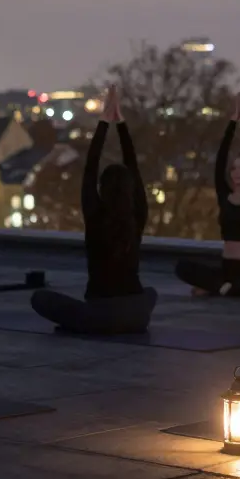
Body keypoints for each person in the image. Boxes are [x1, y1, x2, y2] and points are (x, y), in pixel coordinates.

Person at [30, 84, 158, 334]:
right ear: (130, 190)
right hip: (136, 315)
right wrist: (120, 125)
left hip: (101, 314)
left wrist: (103, 122)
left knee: (40, 298)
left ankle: (88, 322)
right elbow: (133, 166)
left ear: (102, 189)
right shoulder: (136, 215)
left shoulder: (95, 215)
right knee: (151, 293)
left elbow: (90, 167)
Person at [174, 92, 240, 297]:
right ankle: (229, 288)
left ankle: (223, 288)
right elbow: (219, 161)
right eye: (234, 169)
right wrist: (231, 124)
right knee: (181, 267)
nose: (238, 172)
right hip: (228, 268)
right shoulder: (225, 196)